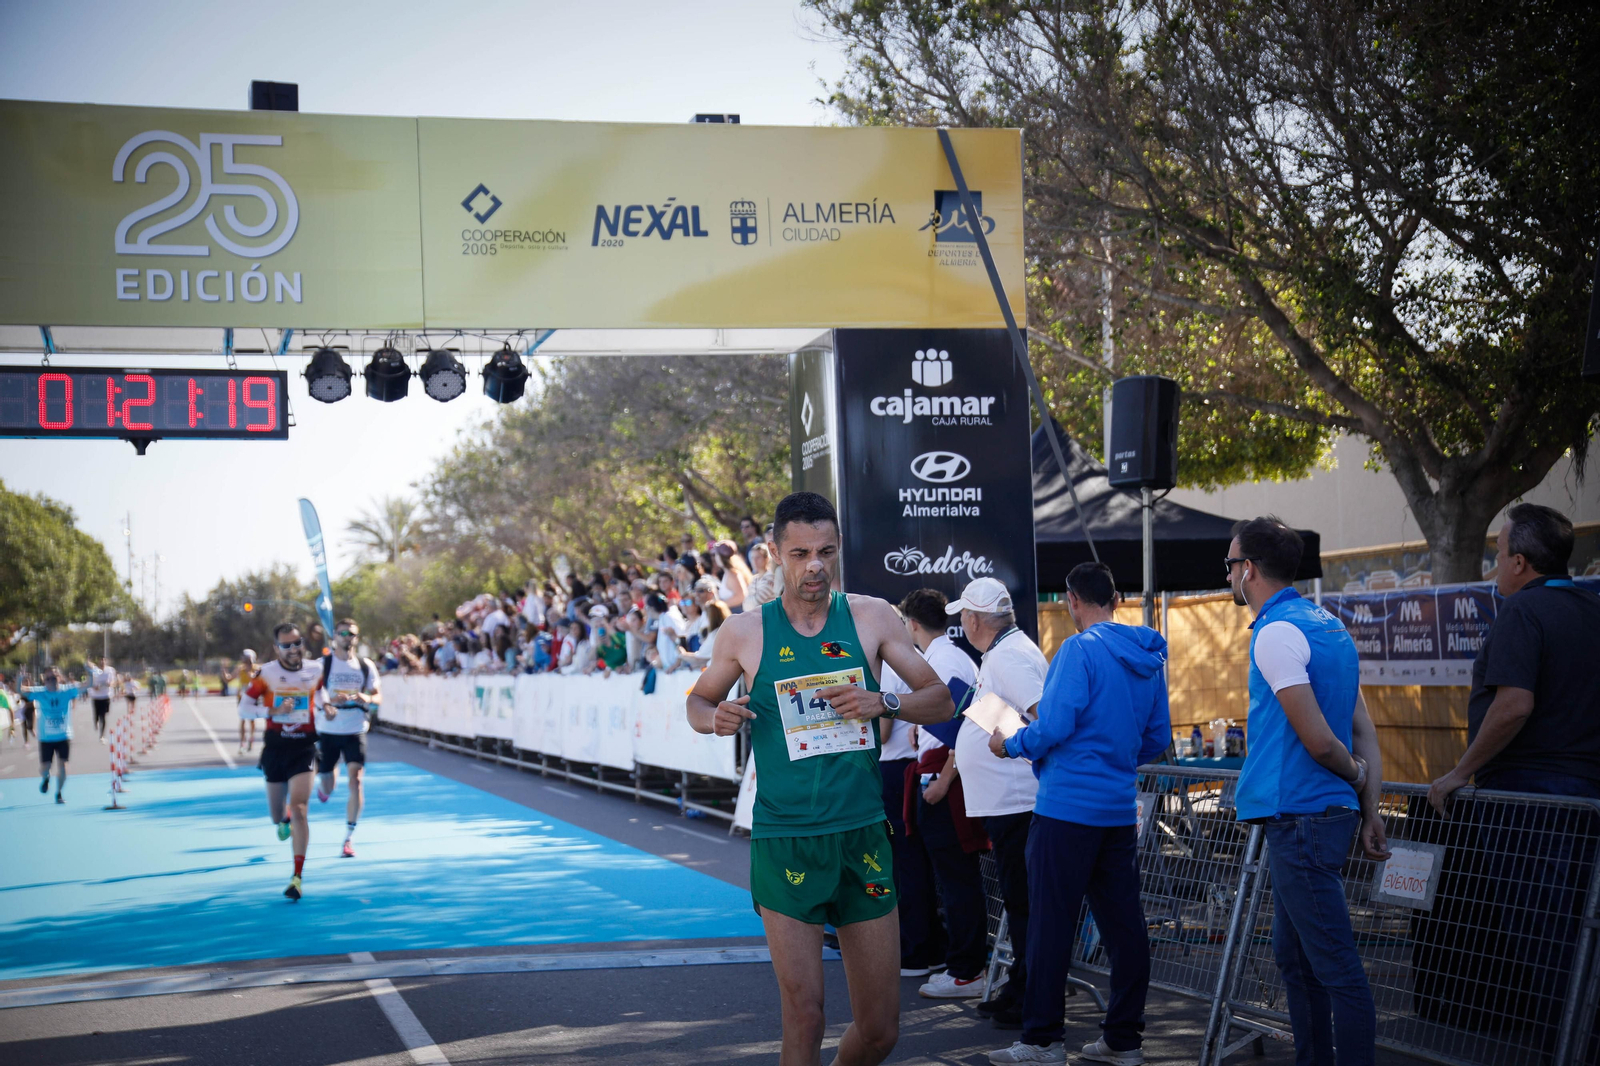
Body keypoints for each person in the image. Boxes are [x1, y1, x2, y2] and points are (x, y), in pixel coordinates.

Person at [687, 491, 954, 1066]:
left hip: (862, 836)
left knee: (880, 1031)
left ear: (838, 549)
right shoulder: (744, 633)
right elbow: (698, 703)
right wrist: (716, 718)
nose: (815, 566)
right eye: (800, 553)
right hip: (786, 838)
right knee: (805, 1015)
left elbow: (940, 699)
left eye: (826, 552)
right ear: (775, 553)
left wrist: (883, 701)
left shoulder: (872, 616)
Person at [1425, 503, 1600, 1041]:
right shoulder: (1591, 608)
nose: (1494, 566)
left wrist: (1459, 772)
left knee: (1544, 937)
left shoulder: (1523, 611)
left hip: (1529, 801)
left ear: (1520, 562)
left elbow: (1513, 705)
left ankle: (1567, 1045)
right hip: (1585, 797)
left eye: (1498, 554)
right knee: (1582, 933)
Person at [986, 562, 1171, 1065]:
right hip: (1117, 810)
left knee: (1050, 926)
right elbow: (1157, 736)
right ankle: (1123, 1040)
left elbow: (1054, 726)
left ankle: (1044, 1040)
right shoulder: (1149, 655)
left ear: (1071, 599)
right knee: (1125, 928)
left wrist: (1011, 744)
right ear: (1116, 598)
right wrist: (1113, 759)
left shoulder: (1078, 649)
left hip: (1065, 809)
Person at [1229, 517, 1389, 1066]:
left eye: (1230, 564)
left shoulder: (1276, 632)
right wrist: (1369, 807)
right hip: (1314, 816)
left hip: (1300, 817)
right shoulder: (1329, 625)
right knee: (1296, 958)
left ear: (1249, 570)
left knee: (1335, 967)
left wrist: (1360, 781)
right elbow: (1363, 729)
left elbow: (1323, 743)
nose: (1227, 574)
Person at [946, 577, 1048, 1019]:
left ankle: (1029, 995)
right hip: (1010, 799)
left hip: (1017, 800)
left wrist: (1009, 741)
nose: (962, 625)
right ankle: (1022, 986)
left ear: (973, 619)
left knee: (1023, 901)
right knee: (1018, 899)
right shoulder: (1004, 652)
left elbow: (1045, 719)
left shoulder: (1008, 656)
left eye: (964, 616)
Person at [884, 589, 983, 987]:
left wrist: (943, 779)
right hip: (936, 771)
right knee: (947, 875)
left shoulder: (943, 660)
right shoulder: (947, 657)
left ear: (912, 624)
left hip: (946, 778)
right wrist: (919, 731)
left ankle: (964, 969)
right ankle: (957, 962)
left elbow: (965, 726)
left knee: (955, 877)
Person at [238, 622, 325, 901]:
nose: (293, 649)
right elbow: (244, 708)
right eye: (286, 645)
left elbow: (320, 695)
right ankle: (283, 818)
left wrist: (327, 707)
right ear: (277, 648)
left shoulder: (315, 669)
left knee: (300, 808)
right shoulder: (266, 674)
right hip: (275, 749)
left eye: (297, 643)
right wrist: (272, 710)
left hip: (304, 747)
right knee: (278, 816)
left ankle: (297, 877)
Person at [315, 618, 381, 859]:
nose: (347, 637)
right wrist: (328, 704)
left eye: (351, 634)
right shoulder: (323, 664)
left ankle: (348, 837)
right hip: (328, 729)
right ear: (335, 636)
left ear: (356, 637)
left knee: (356, 781)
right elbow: (313, 692)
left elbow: (378, 696)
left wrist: (367, 698)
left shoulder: (365, 665)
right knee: (328, 784)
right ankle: (325, 786)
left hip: (355, 728)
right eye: (343, 633)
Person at [27, 669, 78, 803]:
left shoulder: (66, 691)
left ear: (59, 678)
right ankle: (46, 778)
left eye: (54, 678)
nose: (51, 681)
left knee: (63, 766)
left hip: (63, 736)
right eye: (48, 679)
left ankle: (59, 793)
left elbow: (87, 685)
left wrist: (91, 671)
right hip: (46, 738)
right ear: (44, 681)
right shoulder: (40, 692)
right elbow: (20, 691)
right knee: (45, 768)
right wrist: (20, 679)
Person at [87, 656, 115, 742]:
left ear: (106, 661)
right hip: (96, 696)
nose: (102, 662)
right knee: (97, 714)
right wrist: (94, 687)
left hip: (106, 696)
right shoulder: (94, 671)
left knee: (103, 715)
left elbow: (114, 681)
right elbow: (90, 682)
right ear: (98, 662)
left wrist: (110, 684)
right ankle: (96, 723)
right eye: (100, 660)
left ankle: (102, 735)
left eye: (103, 660)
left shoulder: (110, 670)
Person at [236, 650, 259, 755]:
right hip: (241, 698)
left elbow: (255, 679)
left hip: (252, 698)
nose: (244, 661)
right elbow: (229, 678)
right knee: (242, 720)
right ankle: (242, 743)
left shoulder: (256, 669)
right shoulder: (240, 669)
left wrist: (249, 672)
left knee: (252, 721)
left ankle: (251, 738)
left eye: (246, 659)